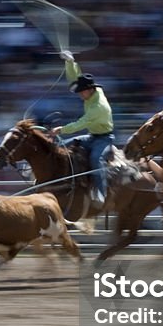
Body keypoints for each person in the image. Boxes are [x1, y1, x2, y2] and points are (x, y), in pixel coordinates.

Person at [51, 50, 114, 209]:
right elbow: (76, 79)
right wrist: (70, 62)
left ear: (89, 90)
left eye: (81, 92)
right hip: (93, 136)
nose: (79, 94)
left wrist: (62, 129)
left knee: (95, 159)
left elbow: (81, 123)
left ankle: (101, 192)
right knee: (63, 146)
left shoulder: (98, 107)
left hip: (104, 139)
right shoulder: (95, 92)